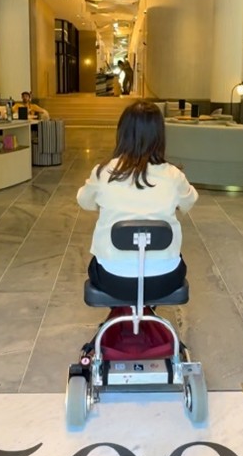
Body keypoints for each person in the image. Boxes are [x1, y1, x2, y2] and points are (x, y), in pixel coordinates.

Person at [77, 100, 198, 305]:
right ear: (159, 135)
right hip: (164, 279)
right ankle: (150, 326)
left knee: (98, 262)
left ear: (122, 132)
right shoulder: (173, 175)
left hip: (113, 279)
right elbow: (189, 202)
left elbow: (84, 201)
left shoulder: (104, 172)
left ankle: (121, 327)